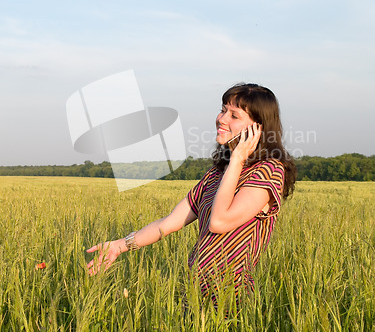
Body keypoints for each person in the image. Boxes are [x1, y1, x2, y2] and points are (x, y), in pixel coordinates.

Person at [87, 83, 297, 310]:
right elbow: (170, 222)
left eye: (234, 115)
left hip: (232, 298)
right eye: (223, 109)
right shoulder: (217, 173)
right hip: (196, 293)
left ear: (258, 128)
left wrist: (238, 158)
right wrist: (120, 245)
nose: (222, 119)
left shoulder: (269, 171)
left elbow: (219, 222)